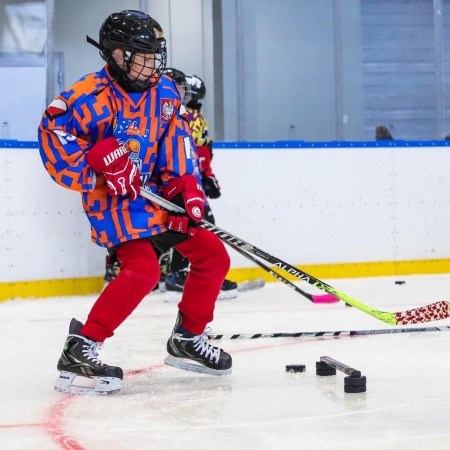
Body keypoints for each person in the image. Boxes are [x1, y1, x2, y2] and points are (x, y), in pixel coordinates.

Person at [38, 10, 232, 395]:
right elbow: (52, 134)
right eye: (141, 55)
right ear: (115, 55)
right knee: (143, 270)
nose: (151, 64)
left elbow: (175, 143)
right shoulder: (87, 96)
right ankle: (82, 346)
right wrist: (98, 166)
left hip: (154, 197)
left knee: (213, 255)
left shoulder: (165, 93)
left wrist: (185, 187)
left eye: (154, 54)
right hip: (113, 201)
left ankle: (188, 339)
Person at [163, 72, 239, 302]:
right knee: (199, 225)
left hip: (182, 181)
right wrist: (206, 175)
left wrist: (206, 176)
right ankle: (183, 275)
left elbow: (198, 151)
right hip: (187, 182)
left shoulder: (181, 115)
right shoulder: (191, 116)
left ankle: (177, 274)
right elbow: (198, 152)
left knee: (188, 226)